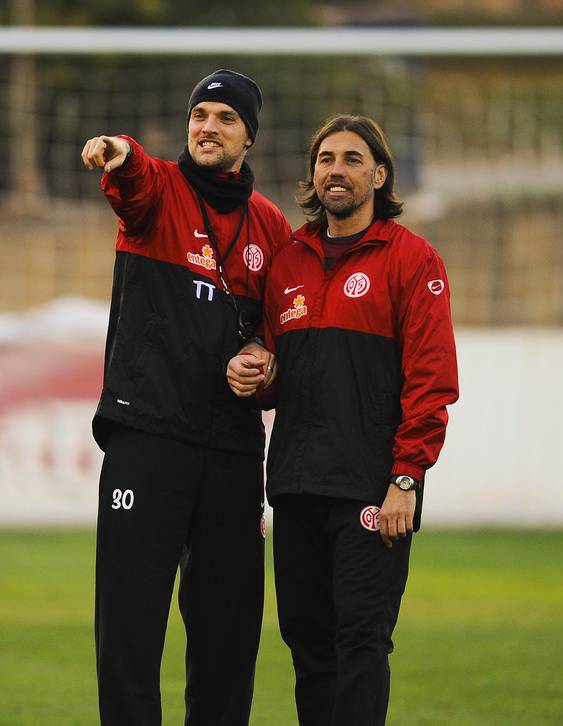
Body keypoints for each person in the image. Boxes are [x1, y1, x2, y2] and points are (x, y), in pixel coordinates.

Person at [227, 114, 459, 725]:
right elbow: (274, 370)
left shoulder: (413, 260)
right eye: (326, 158)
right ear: (312, 174)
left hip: (372, 489)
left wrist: (405, 479)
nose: (337, 169)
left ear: (379, 175)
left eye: (353, 159)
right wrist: (255, 371)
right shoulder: (287, 263)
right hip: (298, 486)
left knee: (360, 643)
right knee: (308, 645)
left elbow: (431, 382)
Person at [80, 69, 290, 726]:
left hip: (231, 451)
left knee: (229, 637)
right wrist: (117, 153)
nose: (208, 126)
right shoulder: (157, 192)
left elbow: (279, 339)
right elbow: (132, 178)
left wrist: (262, 363)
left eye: (226, 118)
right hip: (147, 439)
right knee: (129, 630)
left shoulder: (273, 228)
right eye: (201, 114)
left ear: (248, 137)